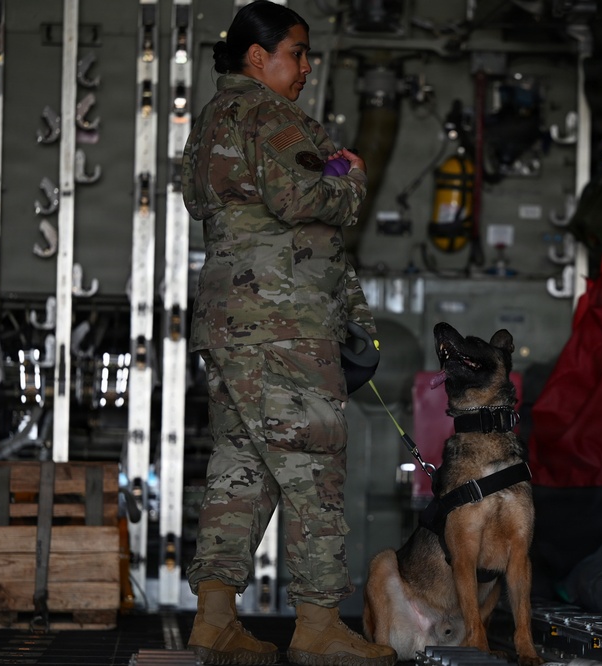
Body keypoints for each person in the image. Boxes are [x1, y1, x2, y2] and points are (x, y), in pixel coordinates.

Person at [180, 3, 396, 666]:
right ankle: (319, 624)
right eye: (296, 53)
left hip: (231, 322)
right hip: (280, 325)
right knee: (312, 463)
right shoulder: (270, 116)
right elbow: (307, 199)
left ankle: (214, 619)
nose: (306, 67)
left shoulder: (214, 120)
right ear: (257, 56)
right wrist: (350, 176)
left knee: (241, 466)